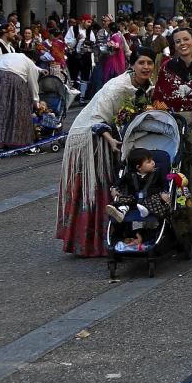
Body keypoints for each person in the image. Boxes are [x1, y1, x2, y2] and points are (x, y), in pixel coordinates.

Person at [57, 47, 157, 256]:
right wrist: (111, 140)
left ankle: (112, 237)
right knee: (98, 188)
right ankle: (92, 243)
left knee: (113, 185)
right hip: (91, 137)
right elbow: (97, 119)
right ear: (132, 65)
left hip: (114, 136)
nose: (146, 67)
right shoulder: (117, 87)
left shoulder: (148, 86)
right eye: (141, 63)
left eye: (149, 63)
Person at [151, 27, 192, 244]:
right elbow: (158, 98)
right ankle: (178, 231)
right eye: (178, 41)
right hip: (175, 127)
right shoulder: (167, 68)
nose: (182, 44)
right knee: (177, 178)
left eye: (186, 39)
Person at [105, 147, 171, 253]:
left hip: (151, 198)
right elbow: (118, 183)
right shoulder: (130, 175)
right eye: (149, 162)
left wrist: (164, 193)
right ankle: (121, 211)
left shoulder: (157, 173)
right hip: (135, 200)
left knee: (155, 199)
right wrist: (114, 189)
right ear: (138, 167)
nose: (153, 163)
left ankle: (146, 210)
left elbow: (164, 184)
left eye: (152, 160)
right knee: (123, 199)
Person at [0, 49, 42, 148]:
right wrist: (36, 101)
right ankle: (13, 140)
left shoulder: (8, 56)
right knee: (15, 111)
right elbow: (33, 85)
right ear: (33, 60)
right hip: (13, 80)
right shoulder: (29, 62)